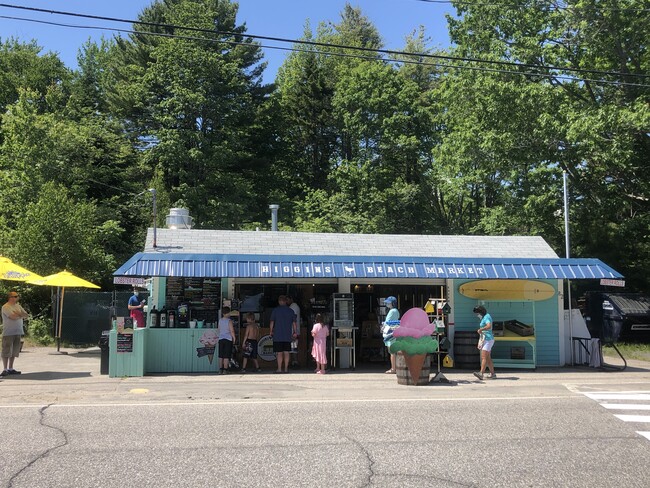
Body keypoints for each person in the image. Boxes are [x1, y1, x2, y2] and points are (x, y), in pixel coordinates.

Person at [1, 291, 29, 377]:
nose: (16, 298)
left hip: (18, 331)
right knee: (6, 350)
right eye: (15, 296)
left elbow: (26, 315)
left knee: (14, 350)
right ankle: (5, 369)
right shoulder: (6, 307)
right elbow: (12, 317)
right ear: (10, 297)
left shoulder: (18, 306)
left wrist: (19, 314)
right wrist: (20, 315)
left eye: (17, 296)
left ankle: (11, 368)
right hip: (9, 332)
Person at [269, 295, 297, 373]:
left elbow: (272, 322)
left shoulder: (275, 310)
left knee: (279, 353)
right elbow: (294, 323)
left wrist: (271, 331)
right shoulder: (290, 311)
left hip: (278, 335)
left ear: (279, 301)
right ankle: (286, 369)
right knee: (286, 352)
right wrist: (295, 332)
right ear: (286, 301)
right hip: (287, 335)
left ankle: (279, 368)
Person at [473, 305, 496, 380]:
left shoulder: (486, 317)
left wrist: (481, 329)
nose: (477, 315)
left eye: (478, 313)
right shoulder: (485, 317)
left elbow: (489, 326)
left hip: (488, 340)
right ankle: (493, 374)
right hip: (486, 339)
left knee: (483, 357)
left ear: (481, 312)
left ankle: (481, 373)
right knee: (488, 358)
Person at [382, 296, 400, 374]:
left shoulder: (392, 311)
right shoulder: (396, 311)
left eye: (388, 302)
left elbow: (387, 321)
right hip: (394, 331)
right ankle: (395, 367)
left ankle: (393, 369)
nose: (387, 304)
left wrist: (383, 325)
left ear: (392, 303)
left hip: (390, 332)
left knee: (392, 352)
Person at [217, 306, 236, 374]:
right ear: (228, 313)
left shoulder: (220, 320)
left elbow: (218, 330)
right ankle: (225, 370)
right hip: (228, 339)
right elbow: (232, 331)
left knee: (221, 355)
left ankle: (220, 369)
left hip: (221, 339)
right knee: (226, 355)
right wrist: (234, 338)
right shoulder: (229, 321)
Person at [286, 295, 301, 368]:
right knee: (292, 348)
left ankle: (295, 363)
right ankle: (293, 362)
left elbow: (293, 319)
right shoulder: (294, 306)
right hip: (294, 331)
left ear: (291, 299)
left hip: (293, 331)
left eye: (287, 300)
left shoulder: (293, 307)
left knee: (293, 348)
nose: (286, 301)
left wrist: (294, 332)